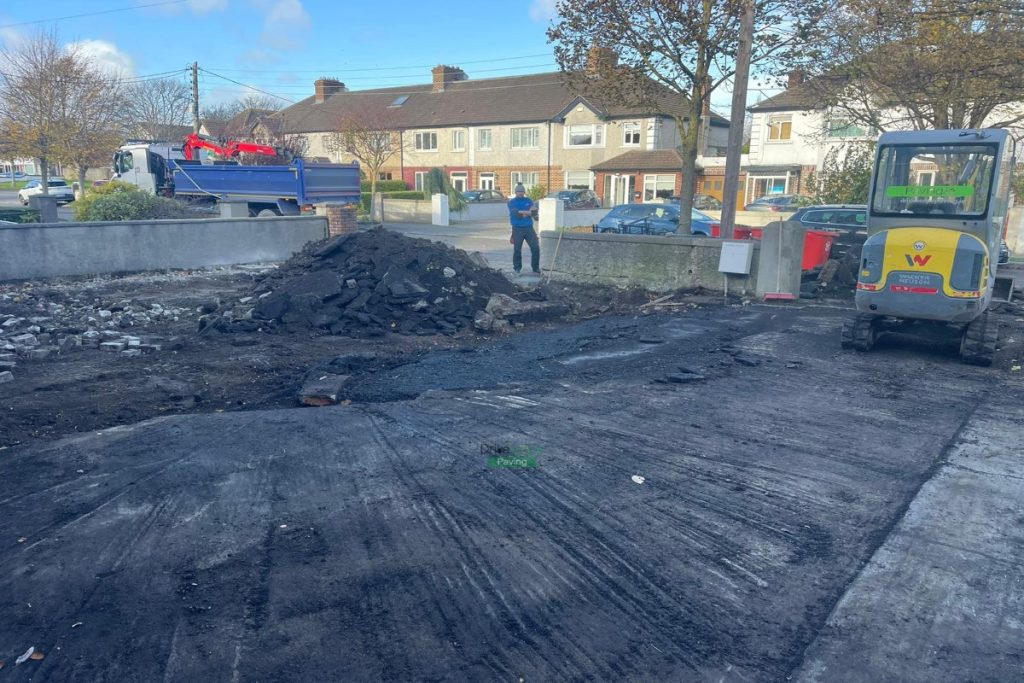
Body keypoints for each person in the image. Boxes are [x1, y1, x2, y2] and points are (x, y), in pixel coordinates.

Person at [507, 183, 540, 275]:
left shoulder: (529, 200)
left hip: (529, 228)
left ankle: (535, 267)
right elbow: (516, 214)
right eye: (518, 191)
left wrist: (524, 212)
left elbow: (534, 213)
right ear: (515, 192)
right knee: (517, 249)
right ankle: (517, 268)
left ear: (524, 192)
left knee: (535, 247)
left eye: (522, 191)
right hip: (517, 228)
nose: (520, 193)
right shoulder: (511, 202)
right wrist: (527, 212)